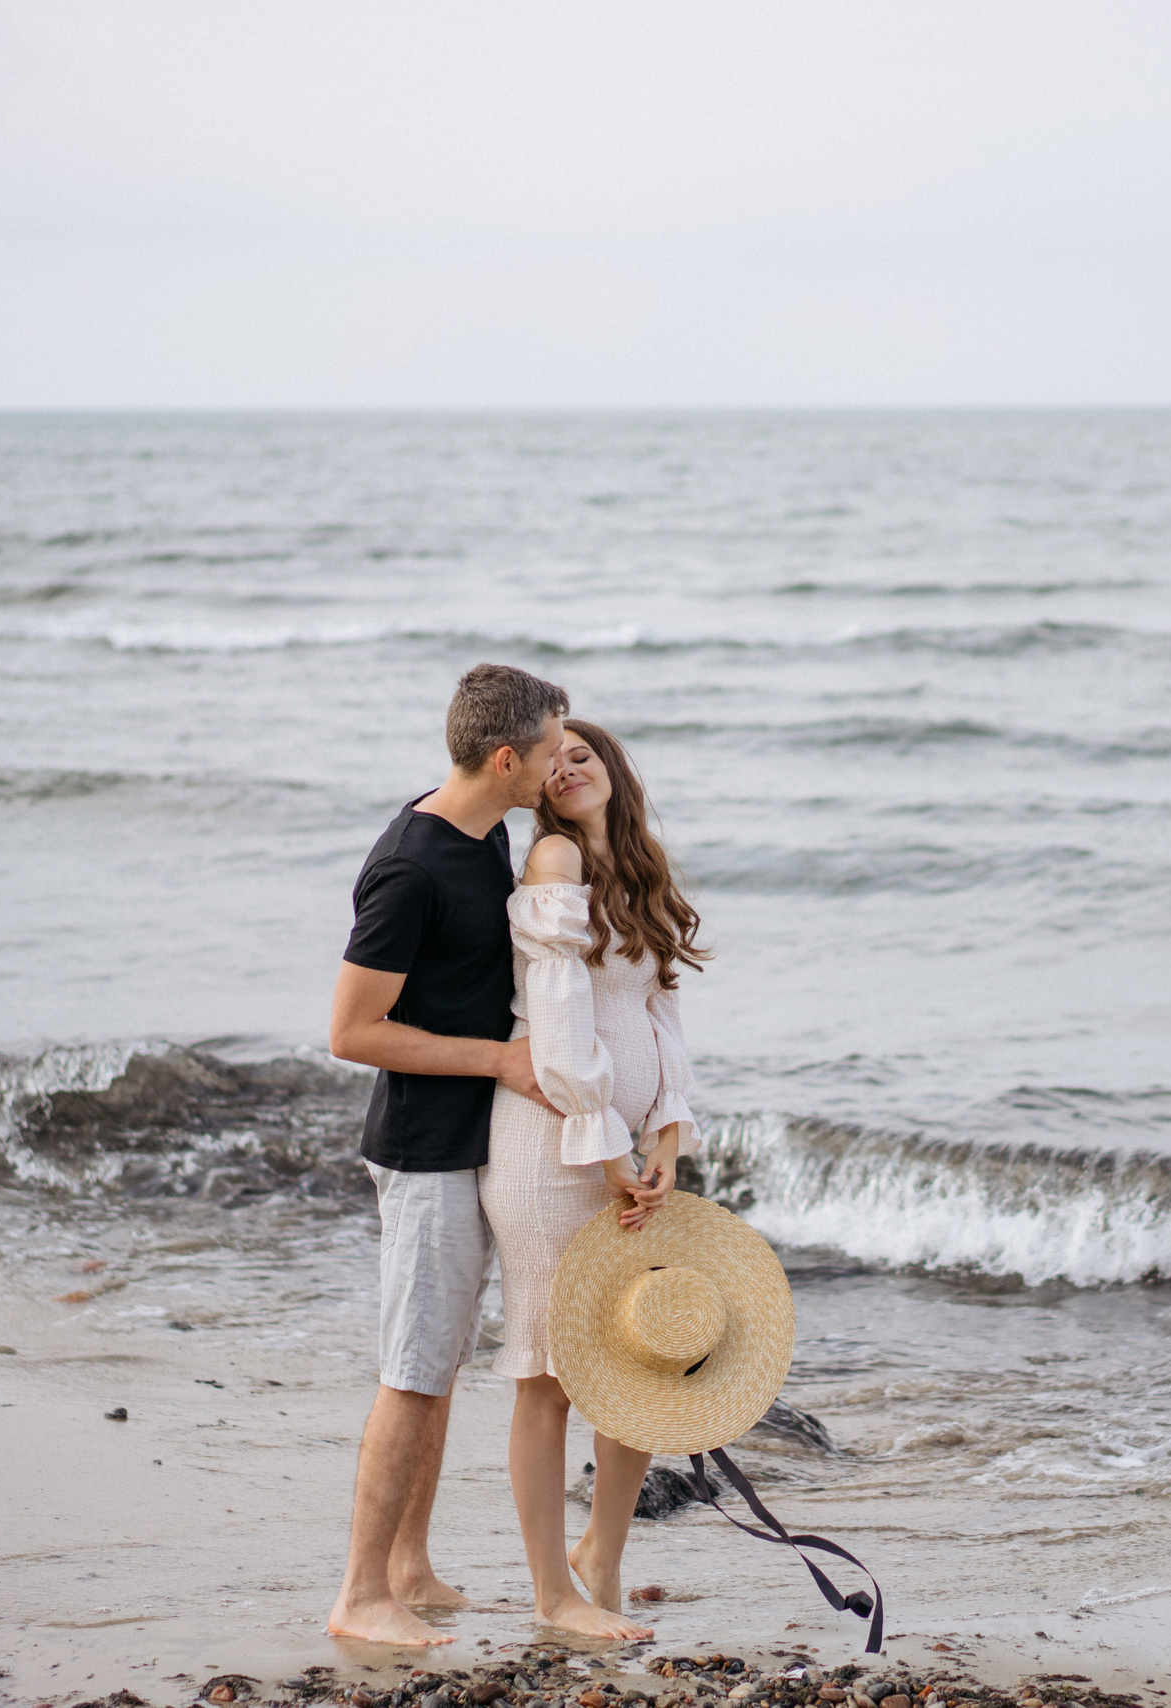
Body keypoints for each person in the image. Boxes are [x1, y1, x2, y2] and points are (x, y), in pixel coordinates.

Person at [323, 662, 569, 1648]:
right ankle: (358, 1594)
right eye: (551, 749)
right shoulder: (412, 868)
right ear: (505, 756)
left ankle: (408, 1566)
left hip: (463, 1138)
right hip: (422, 1149)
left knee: (436, 1366)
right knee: (413, 1370)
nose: (559, 765)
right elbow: (350, 1030)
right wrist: (501, 1061)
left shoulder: (488, 828)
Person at [481, 718, 709, 1641]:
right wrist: (609, 1149)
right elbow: (561, 1028)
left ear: (611, 769)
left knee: (640, 1361)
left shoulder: (641, 869)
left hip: (629, 1155)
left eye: (585, 752)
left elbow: (661, 1015)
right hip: (552, 1153)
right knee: (550, 1378)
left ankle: (601, 1556)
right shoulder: (554, 867)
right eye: (555, 758)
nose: (570, 764)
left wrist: (672, 1132)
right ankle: (551, 1595)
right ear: (536, 784)